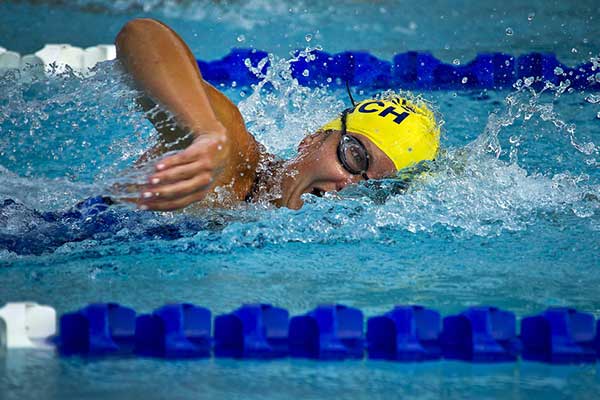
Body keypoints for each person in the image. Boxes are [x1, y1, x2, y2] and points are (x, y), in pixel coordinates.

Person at [115, 18, 440, 211]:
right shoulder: (230, 159)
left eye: (375, 188)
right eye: (355, 157)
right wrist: (203, 131)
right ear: (312, 139)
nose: (349, 185)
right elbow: (142, 35)